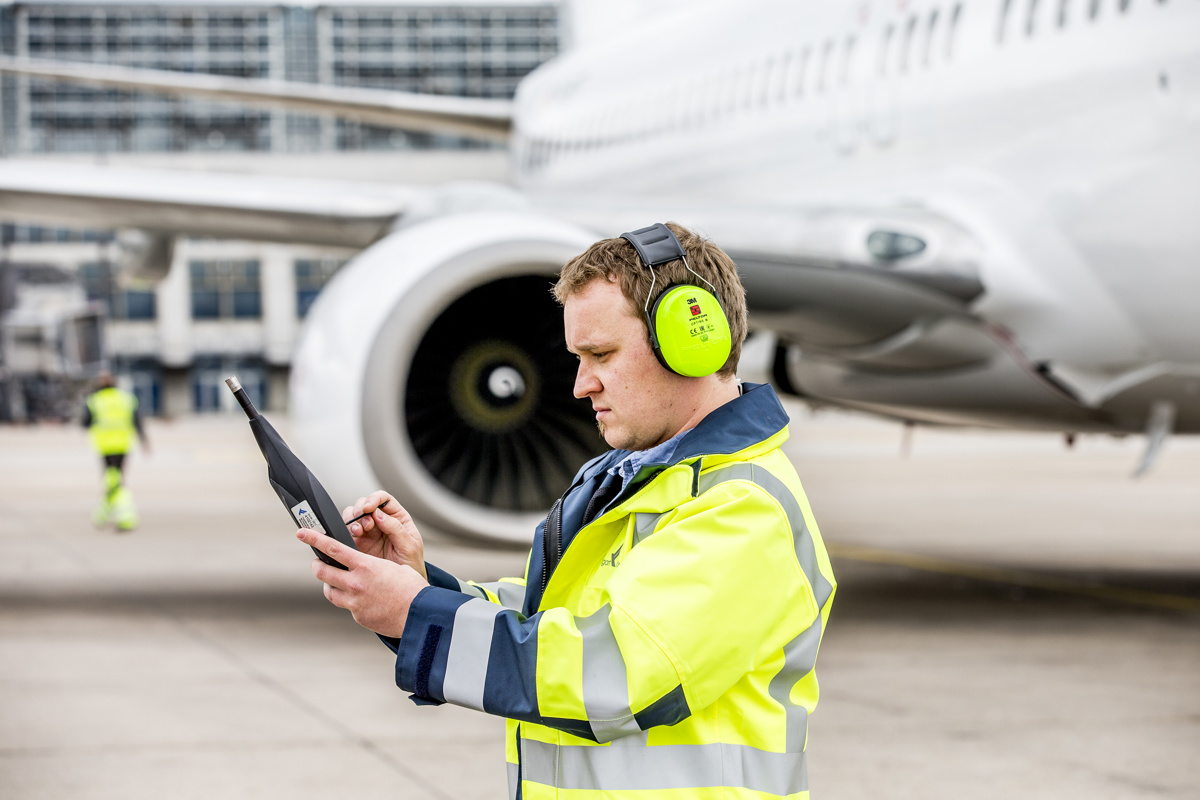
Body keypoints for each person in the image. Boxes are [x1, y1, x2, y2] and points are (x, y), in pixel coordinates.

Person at [297, 223, 837, 800]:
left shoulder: (742, 506)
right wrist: (421, 586)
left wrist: (418, 614)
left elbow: (611, 675)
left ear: (691, 342)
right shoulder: (624, 478)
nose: (580, 385)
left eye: (600, 354)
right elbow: (551, 620)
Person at [82, 371, 149, 531]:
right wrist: (144, 441)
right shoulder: (125, 398)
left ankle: (120, 516)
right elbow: (137, 421)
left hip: (104, 446)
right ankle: (106, 514)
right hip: (122, 445)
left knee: (113, 480)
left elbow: (85, 423)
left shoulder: (94, 400)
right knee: (115, 479)